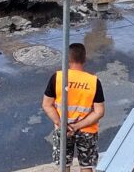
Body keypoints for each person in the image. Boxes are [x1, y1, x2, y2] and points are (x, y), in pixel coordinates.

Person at [42, 43, 105, 172]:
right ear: (85, 59)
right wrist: (77, 126)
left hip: (62, 129)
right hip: (87, 130)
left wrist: (61, 124)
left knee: (64, 166)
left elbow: (47, 105)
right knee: (86, 166)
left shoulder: (57, 77)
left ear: (67, 59)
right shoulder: (93, 81)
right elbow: (99, 112)